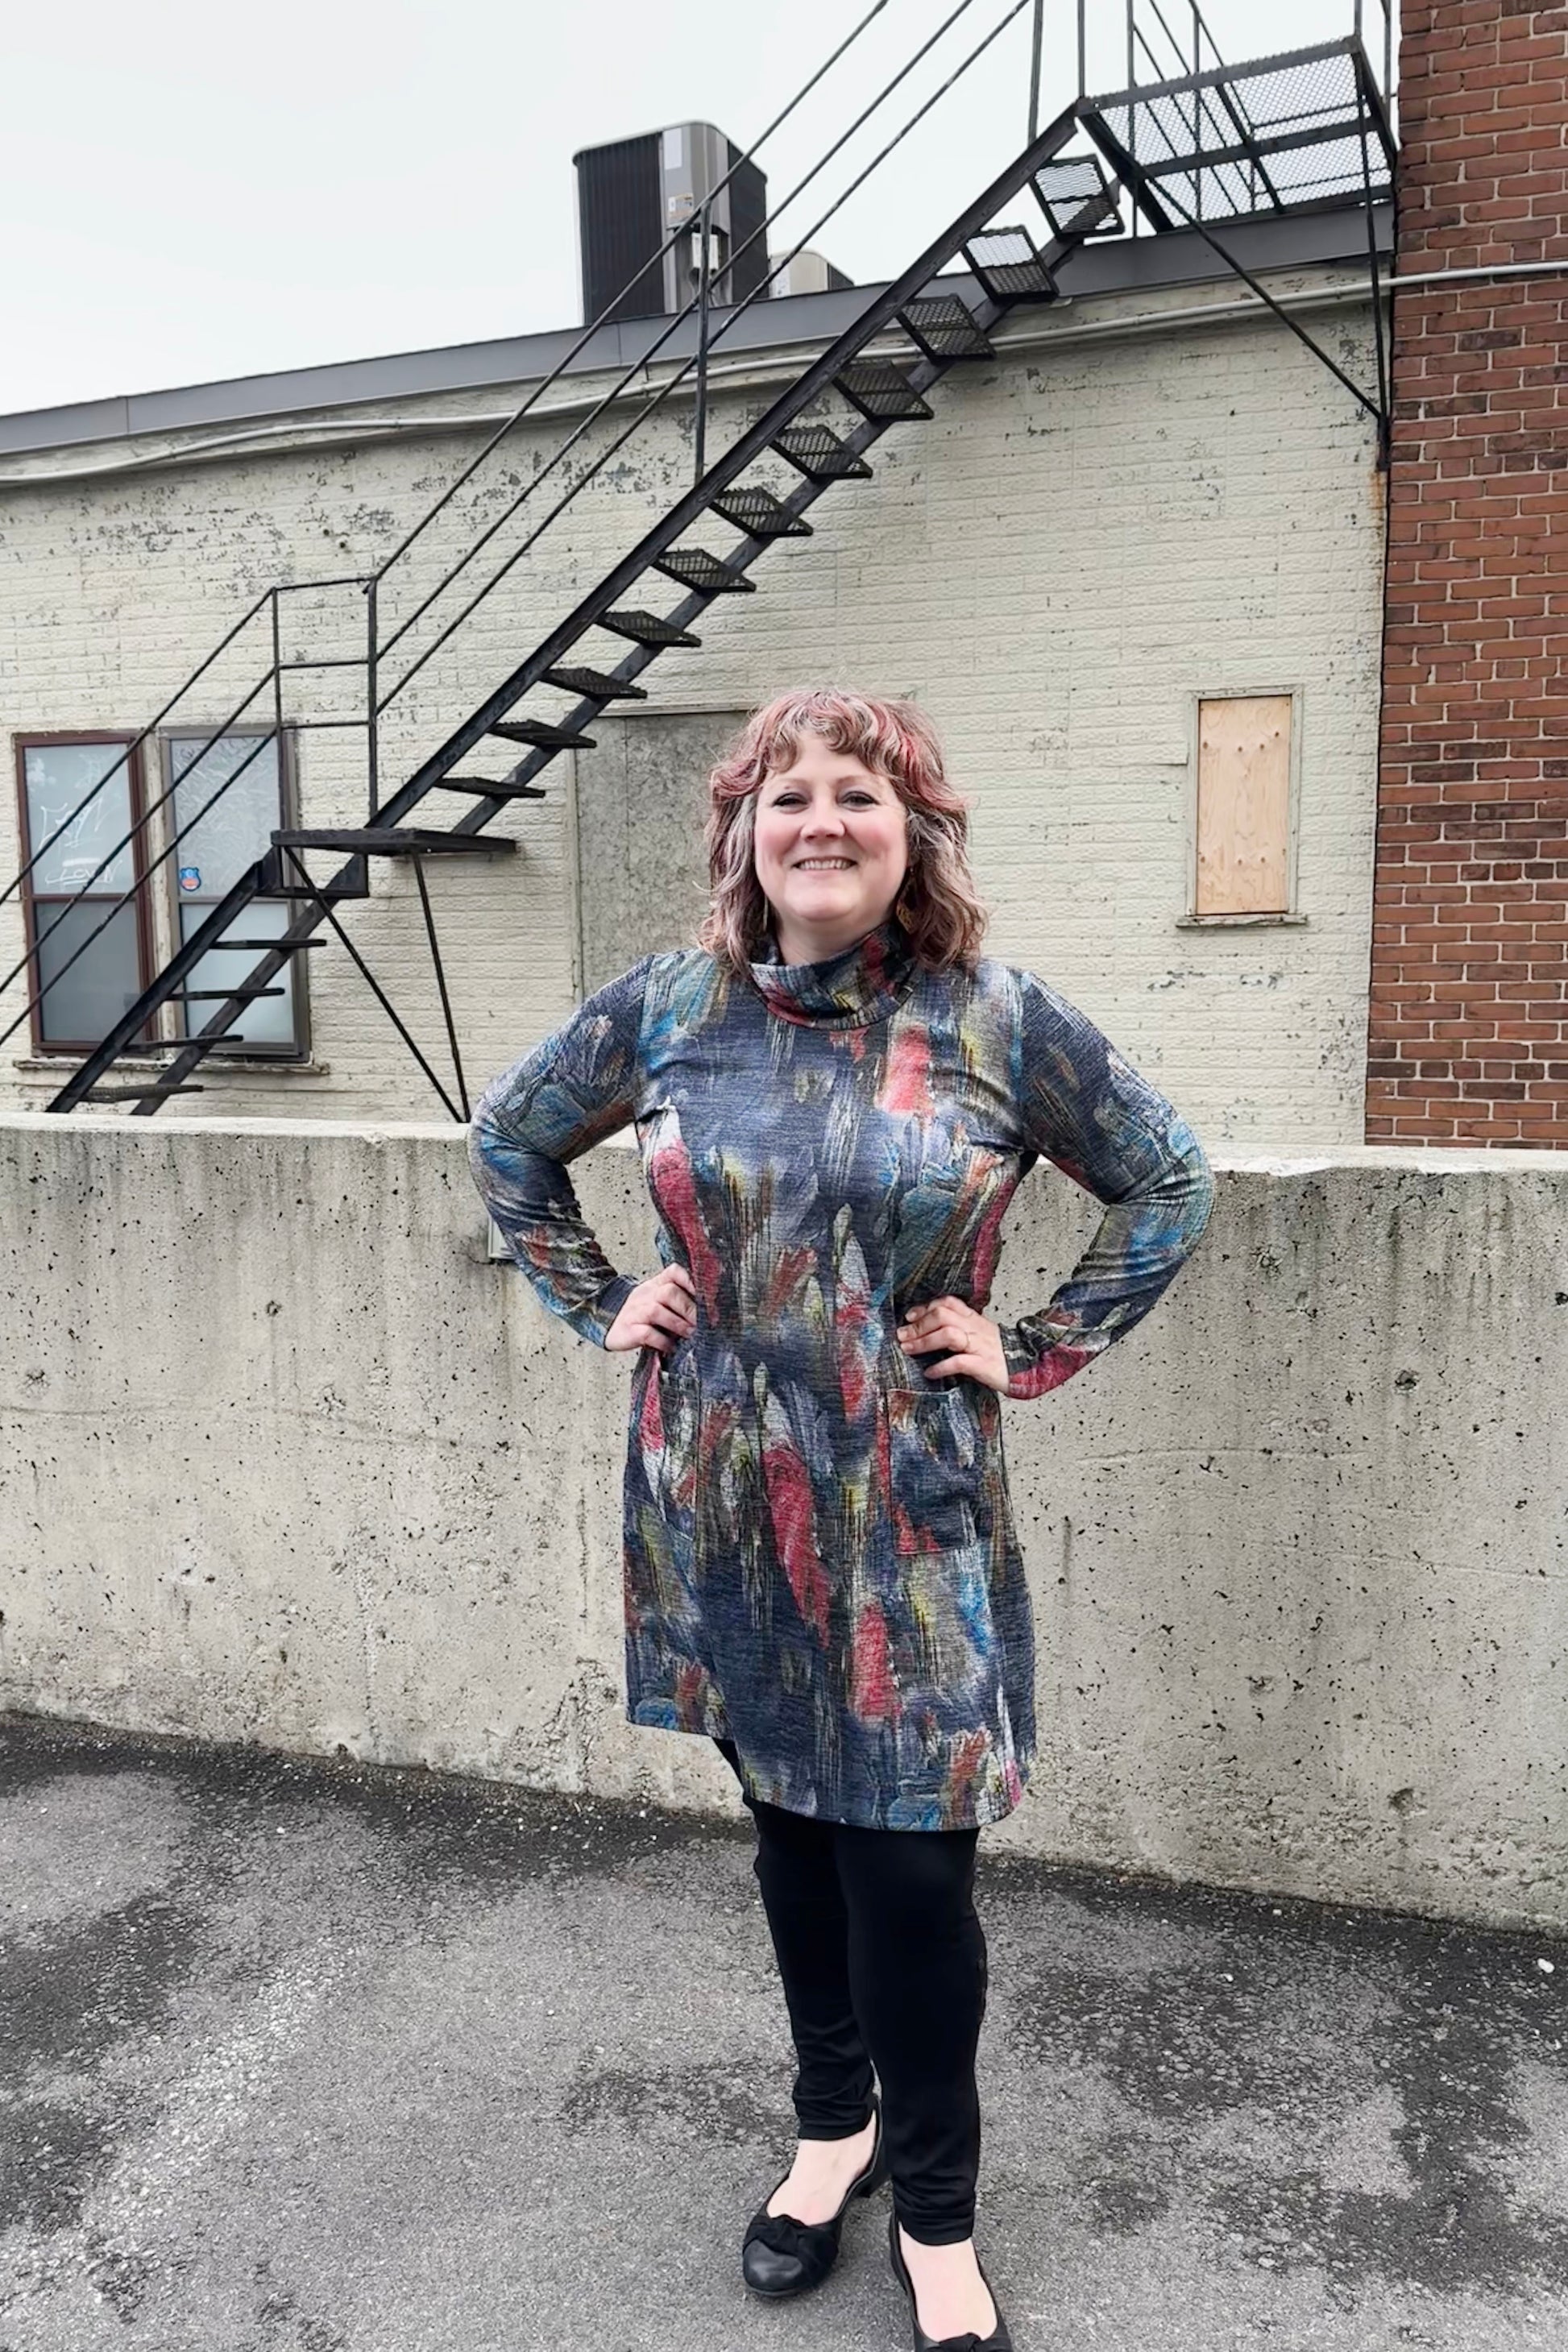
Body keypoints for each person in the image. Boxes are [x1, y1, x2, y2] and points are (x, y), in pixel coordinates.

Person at [467, 687, 1216, 2352]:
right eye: (785, 792)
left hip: (910, 1520)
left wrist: (1031, 1344)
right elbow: (509, 1141)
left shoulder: (994, 1019)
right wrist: (600, 1295)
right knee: (793, 1839)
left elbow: (1170, 1178)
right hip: (721, 1501)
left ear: (910, 830)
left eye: (857, 794)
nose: (820, 819)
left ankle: (936, 2213)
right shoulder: (670, 1007)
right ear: (742, 829)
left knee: (911, 1878)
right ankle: (835, 2126)